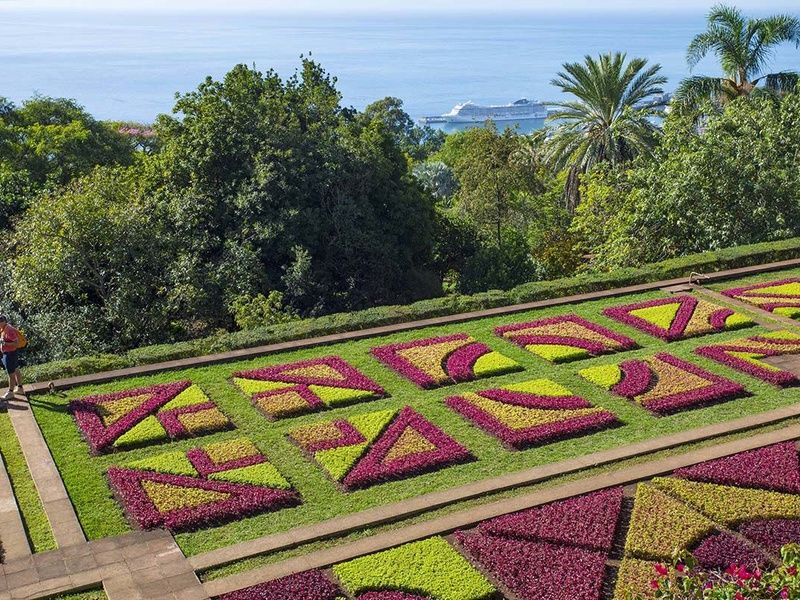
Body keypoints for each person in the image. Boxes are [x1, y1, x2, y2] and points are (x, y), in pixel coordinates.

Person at [0, 316, 23, 400]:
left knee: (11, 374)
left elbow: (16, 343)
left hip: (10, 354)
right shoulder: (4, 328)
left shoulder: (9, 330)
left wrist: (5, 344)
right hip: (10, 353)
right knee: (16, 369)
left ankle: (10, 392)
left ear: (4, 321)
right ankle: (20, 388)